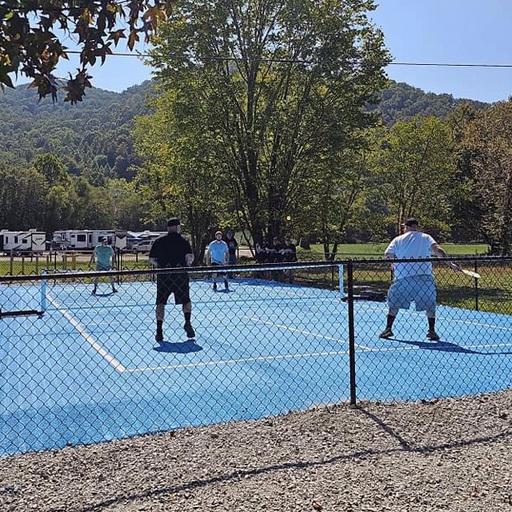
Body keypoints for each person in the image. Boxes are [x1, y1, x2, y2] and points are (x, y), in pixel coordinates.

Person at [379, 217, 459, 341]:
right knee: (430, 305)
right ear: (416, 227)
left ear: (406, 227)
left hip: (403, 277)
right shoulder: (426, 237)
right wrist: (451, 264)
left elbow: (388, 254)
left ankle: (388, 328)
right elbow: (438, 250)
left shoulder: (398, 239)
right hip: (424, 276)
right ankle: (431, 330)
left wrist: (393, 263)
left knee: (394, 304)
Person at [149, 218, 195, 342]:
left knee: (160, 302)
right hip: (180, 275)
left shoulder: (159, 241)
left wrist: (160, 265)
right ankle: (187, 322)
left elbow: (152, 259)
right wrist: (188, 264)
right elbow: (189, 257)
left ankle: (159, 330)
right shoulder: (183, 240)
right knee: (186, 300)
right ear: (177, 227)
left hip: (164, 275)